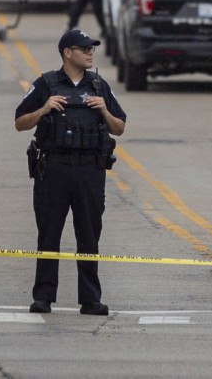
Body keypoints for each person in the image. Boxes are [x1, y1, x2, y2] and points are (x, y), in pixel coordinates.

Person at [14, 29, 127, 315]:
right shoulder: (46, 84)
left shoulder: (99, 86)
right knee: (49, 233)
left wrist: (104, 111)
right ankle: (43, 297)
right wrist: (43, 109)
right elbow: (20, 122)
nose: (90, 53)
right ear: (68, 52)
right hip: (54, 169)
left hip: (90, 170)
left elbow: (120, 127)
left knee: (89, 235)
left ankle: (90, 299)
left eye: (92, 49)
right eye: (84, 48)